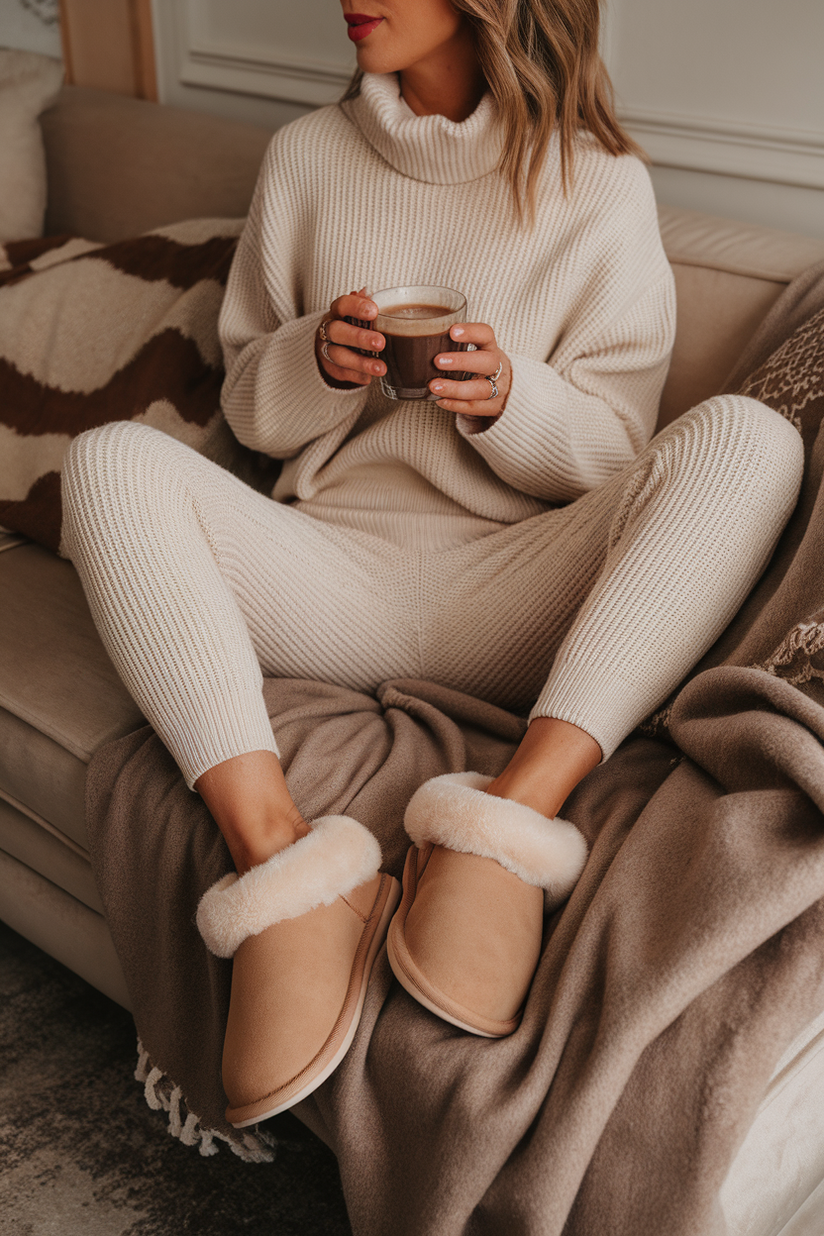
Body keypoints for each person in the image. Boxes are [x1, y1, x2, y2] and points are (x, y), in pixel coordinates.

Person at [61, 0, 803, 1130]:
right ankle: (290, 870)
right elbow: (252, 411)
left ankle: (509, 828)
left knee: (750, 441)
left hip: (518, 592)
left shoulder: (595, 182)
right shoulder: (305, 155)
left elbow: (615, 451)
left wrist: (512, 401)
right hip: (324, 575)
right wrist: (314, 360)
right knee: (110, 462)